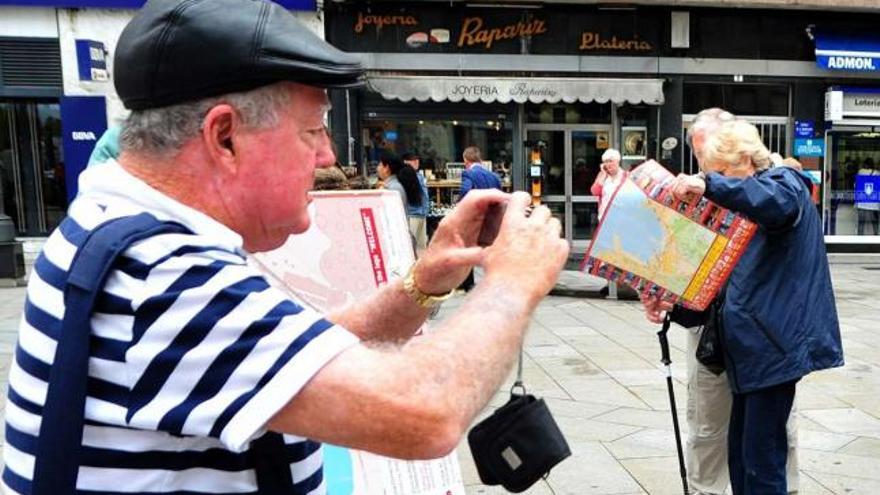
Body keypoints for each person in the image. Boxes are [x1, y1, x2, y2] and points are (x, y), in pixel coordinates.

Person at [1, 1, 570, 493]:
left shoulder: (124, 220)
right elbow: (426, 412)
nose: (326, 156)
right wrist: (513, 281)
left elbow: (297, 352)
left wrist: (425, 281)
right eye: (312, 131)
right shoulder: (164, 273)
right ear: (224, 136)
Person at [644, 119, 843, 495]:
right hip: (746, 353)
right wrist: (674, 305)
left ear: (746, 164)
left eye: (721, 172)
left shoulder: (786, 185)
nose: (716, 182)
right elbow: (721, 287)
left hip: (772, 350)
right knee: (741, 459)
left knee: (761, 464)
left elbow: (772, 202)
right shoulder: (740, 208)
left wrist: (709, 185)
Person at [458, 146, 502, 291]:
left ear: (466, 160)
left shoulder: (468, 174)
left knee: (468, 248)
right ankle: (495, 281)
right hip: (492, 219)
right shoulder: (494, 176)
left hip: (475, 218)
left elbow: (465, 192)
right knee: (491, 250)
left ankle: (468, 283)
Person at [402, 151, 430, 253]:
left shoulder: (420, 176)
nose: (416, 162)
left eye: (417, 160)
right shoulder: (404, 176)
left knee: (422, 246)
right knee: (411, 246)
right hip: (412, 214)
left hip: (422, 213)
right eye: (413, 160)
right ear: (406, 162)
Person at [590, 148, 626, 220]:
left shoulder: (626, 176)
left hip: (621, 216)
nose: (608, 164)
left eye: (611, 161)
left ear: (617, 162)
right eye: (606, 162)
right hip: (604, 217)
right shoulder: (602, 175)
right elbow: (594, 192)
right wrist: (603, 175)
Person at [855, 158, 879, 235]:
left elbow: (856, 184)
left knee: (861, 223)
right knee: (875, 222)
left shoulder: (860, 172)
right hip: (873, 203)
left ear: (865, 164)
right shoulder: (877, 173)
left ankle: (860, 238)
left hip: (862, 201)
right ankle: (876, 237)